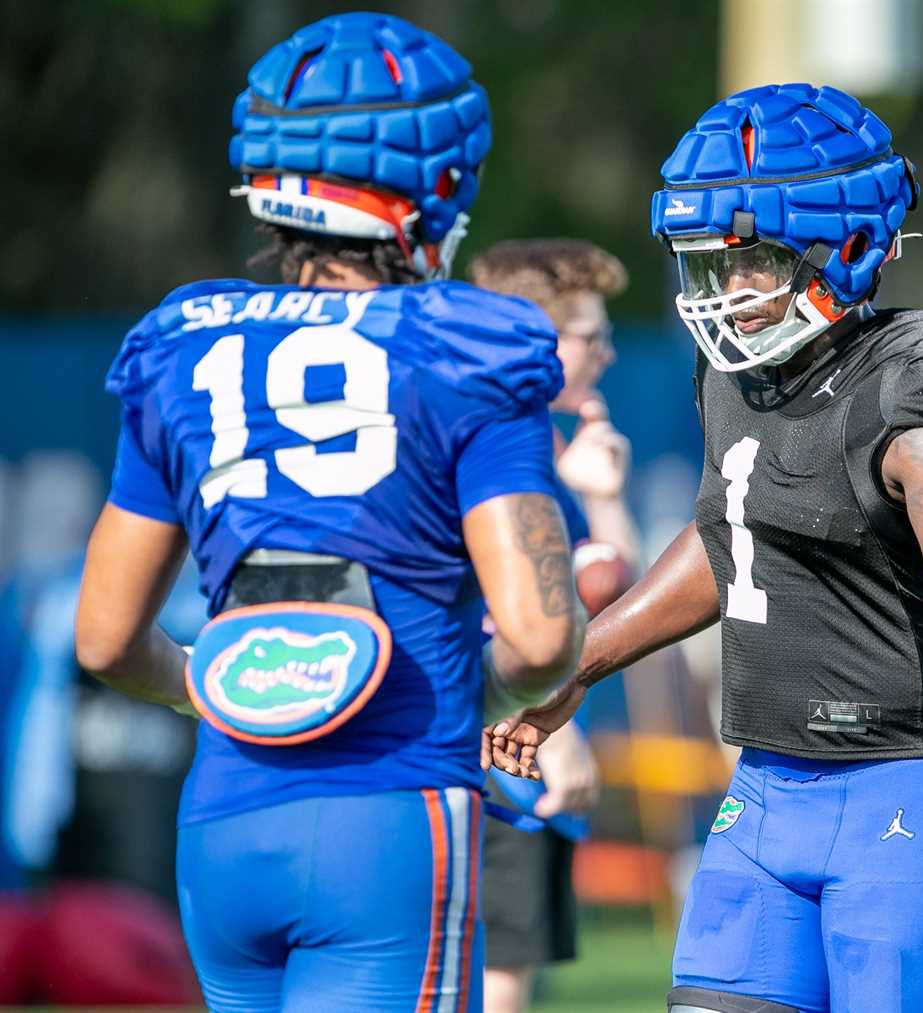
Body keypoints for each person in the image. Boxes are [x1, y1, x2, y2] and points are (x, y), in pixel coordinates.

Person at [487, 84, 923, 1013]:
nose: (729, 291)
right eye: (714, 262)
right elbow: (726, 540)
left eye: (756, 260)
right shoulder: (737, 374)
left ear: (850, 245)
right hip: (765, 784)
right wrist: (576, 666)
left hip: (910, 788)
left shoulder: (917, 380)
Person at [73, 13, 584, 1012]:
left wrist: (237, 685)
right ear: (436, 182)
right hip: (389, 813)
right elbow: (537, 637)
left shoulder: (183, 343)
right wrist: (463, 703)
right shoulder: (468, 346)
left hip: (222, 824)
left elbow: (102, 638)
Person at [468, 240, 637, 1013]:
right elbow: (478, 606)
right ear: (535, 337)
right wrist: (554, 734)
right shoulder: (493, 445)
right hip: (496, 763)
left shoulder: (555, 444)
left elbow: (621, 597)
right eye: (588, 334)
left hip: (523, 752)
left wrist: (600, 494)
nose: (605, 350)